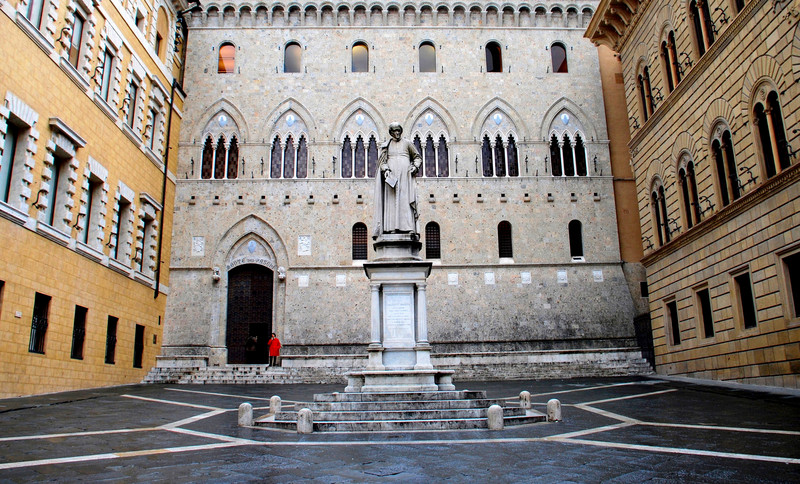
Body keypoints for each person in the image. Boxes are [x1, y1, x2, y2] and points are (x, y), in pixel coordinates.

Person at [372, 122, 422, 239]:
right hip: (391, 179)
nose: (397, 133)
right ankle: (391, 229)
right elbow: (382, 162)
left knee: (405, 201)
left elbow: (417, 157)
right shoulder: (387, 145)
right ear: (391, 132)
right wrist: (386, 170)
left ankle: (408, 228)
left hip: (405, 177)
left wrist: (415, 166)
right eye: (394, 131)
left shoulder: (407, 143)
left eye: (398, 130)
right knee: (392, 202)